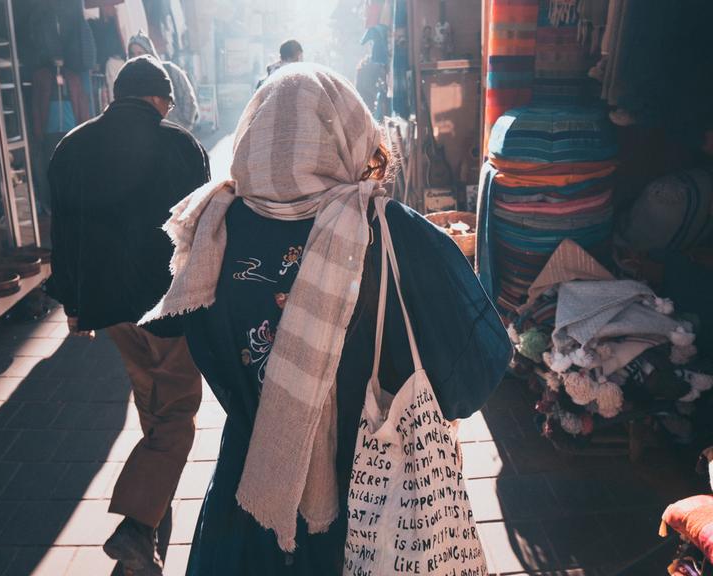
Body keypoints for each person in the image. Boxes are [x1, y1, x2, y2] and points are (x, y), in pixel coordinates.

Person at [140, 64, 511, 575]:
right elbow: (474, 376)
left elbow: (205, 347)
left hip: (249, 498)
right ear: (349, 135)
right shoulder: (394, 235)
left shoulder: (211, 233)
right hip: (371, 505)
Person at [47, 55, 211, 575]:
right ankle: (138, 527)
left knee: (153, 409)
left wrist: (74, 305)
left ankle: (152, 533)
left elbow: (64, 235)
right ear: (160, 98)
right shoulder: (181, 145)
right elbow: (206, 229)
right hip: (171, 307)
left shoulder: (70, 148)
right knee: (178, 417)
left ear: (116, 95)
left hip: (113, 311)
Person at [128, 31, 199, 131]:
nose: (136, 57)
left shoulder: (169, 70)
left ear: (149, 53)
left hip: (175, 134)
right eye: (133, 54)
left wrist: (185, 126)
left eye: (140, 53)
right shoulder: (128, 81)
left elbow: (188, 97)